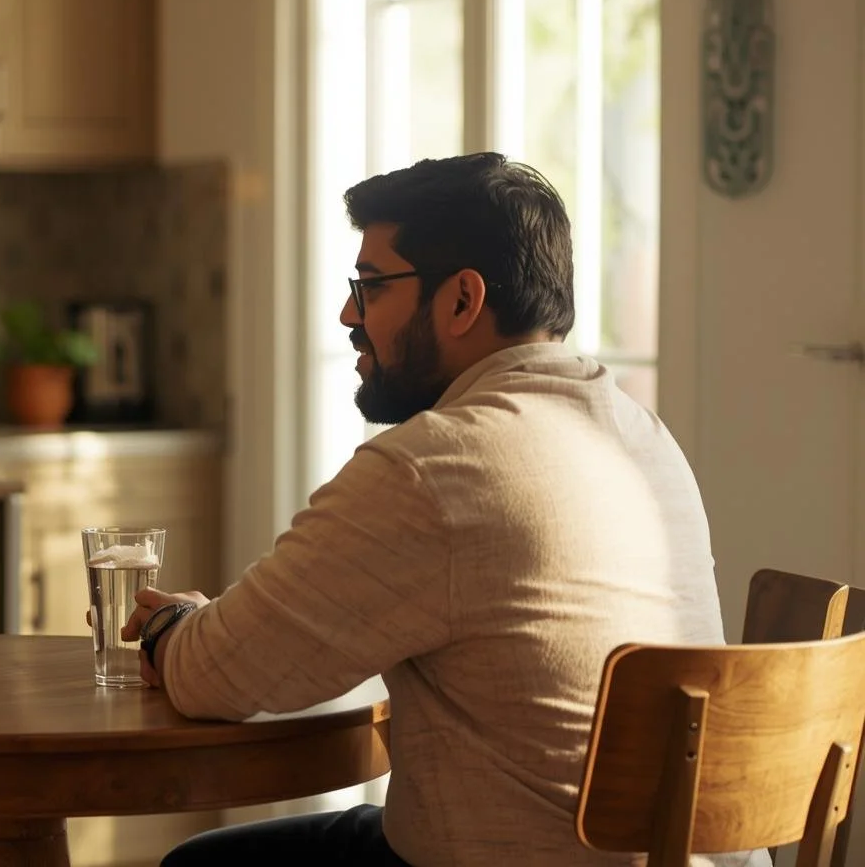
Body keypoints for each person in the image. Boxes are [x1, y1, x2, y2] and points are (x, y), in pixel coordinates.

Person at [122, 154, 766, 867]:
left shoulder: (438, 466)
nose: (347, 313)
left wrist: (172, 624)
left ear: (462, 300)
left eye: (371, 286)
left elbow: (218, 676)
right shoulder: (643, 436)